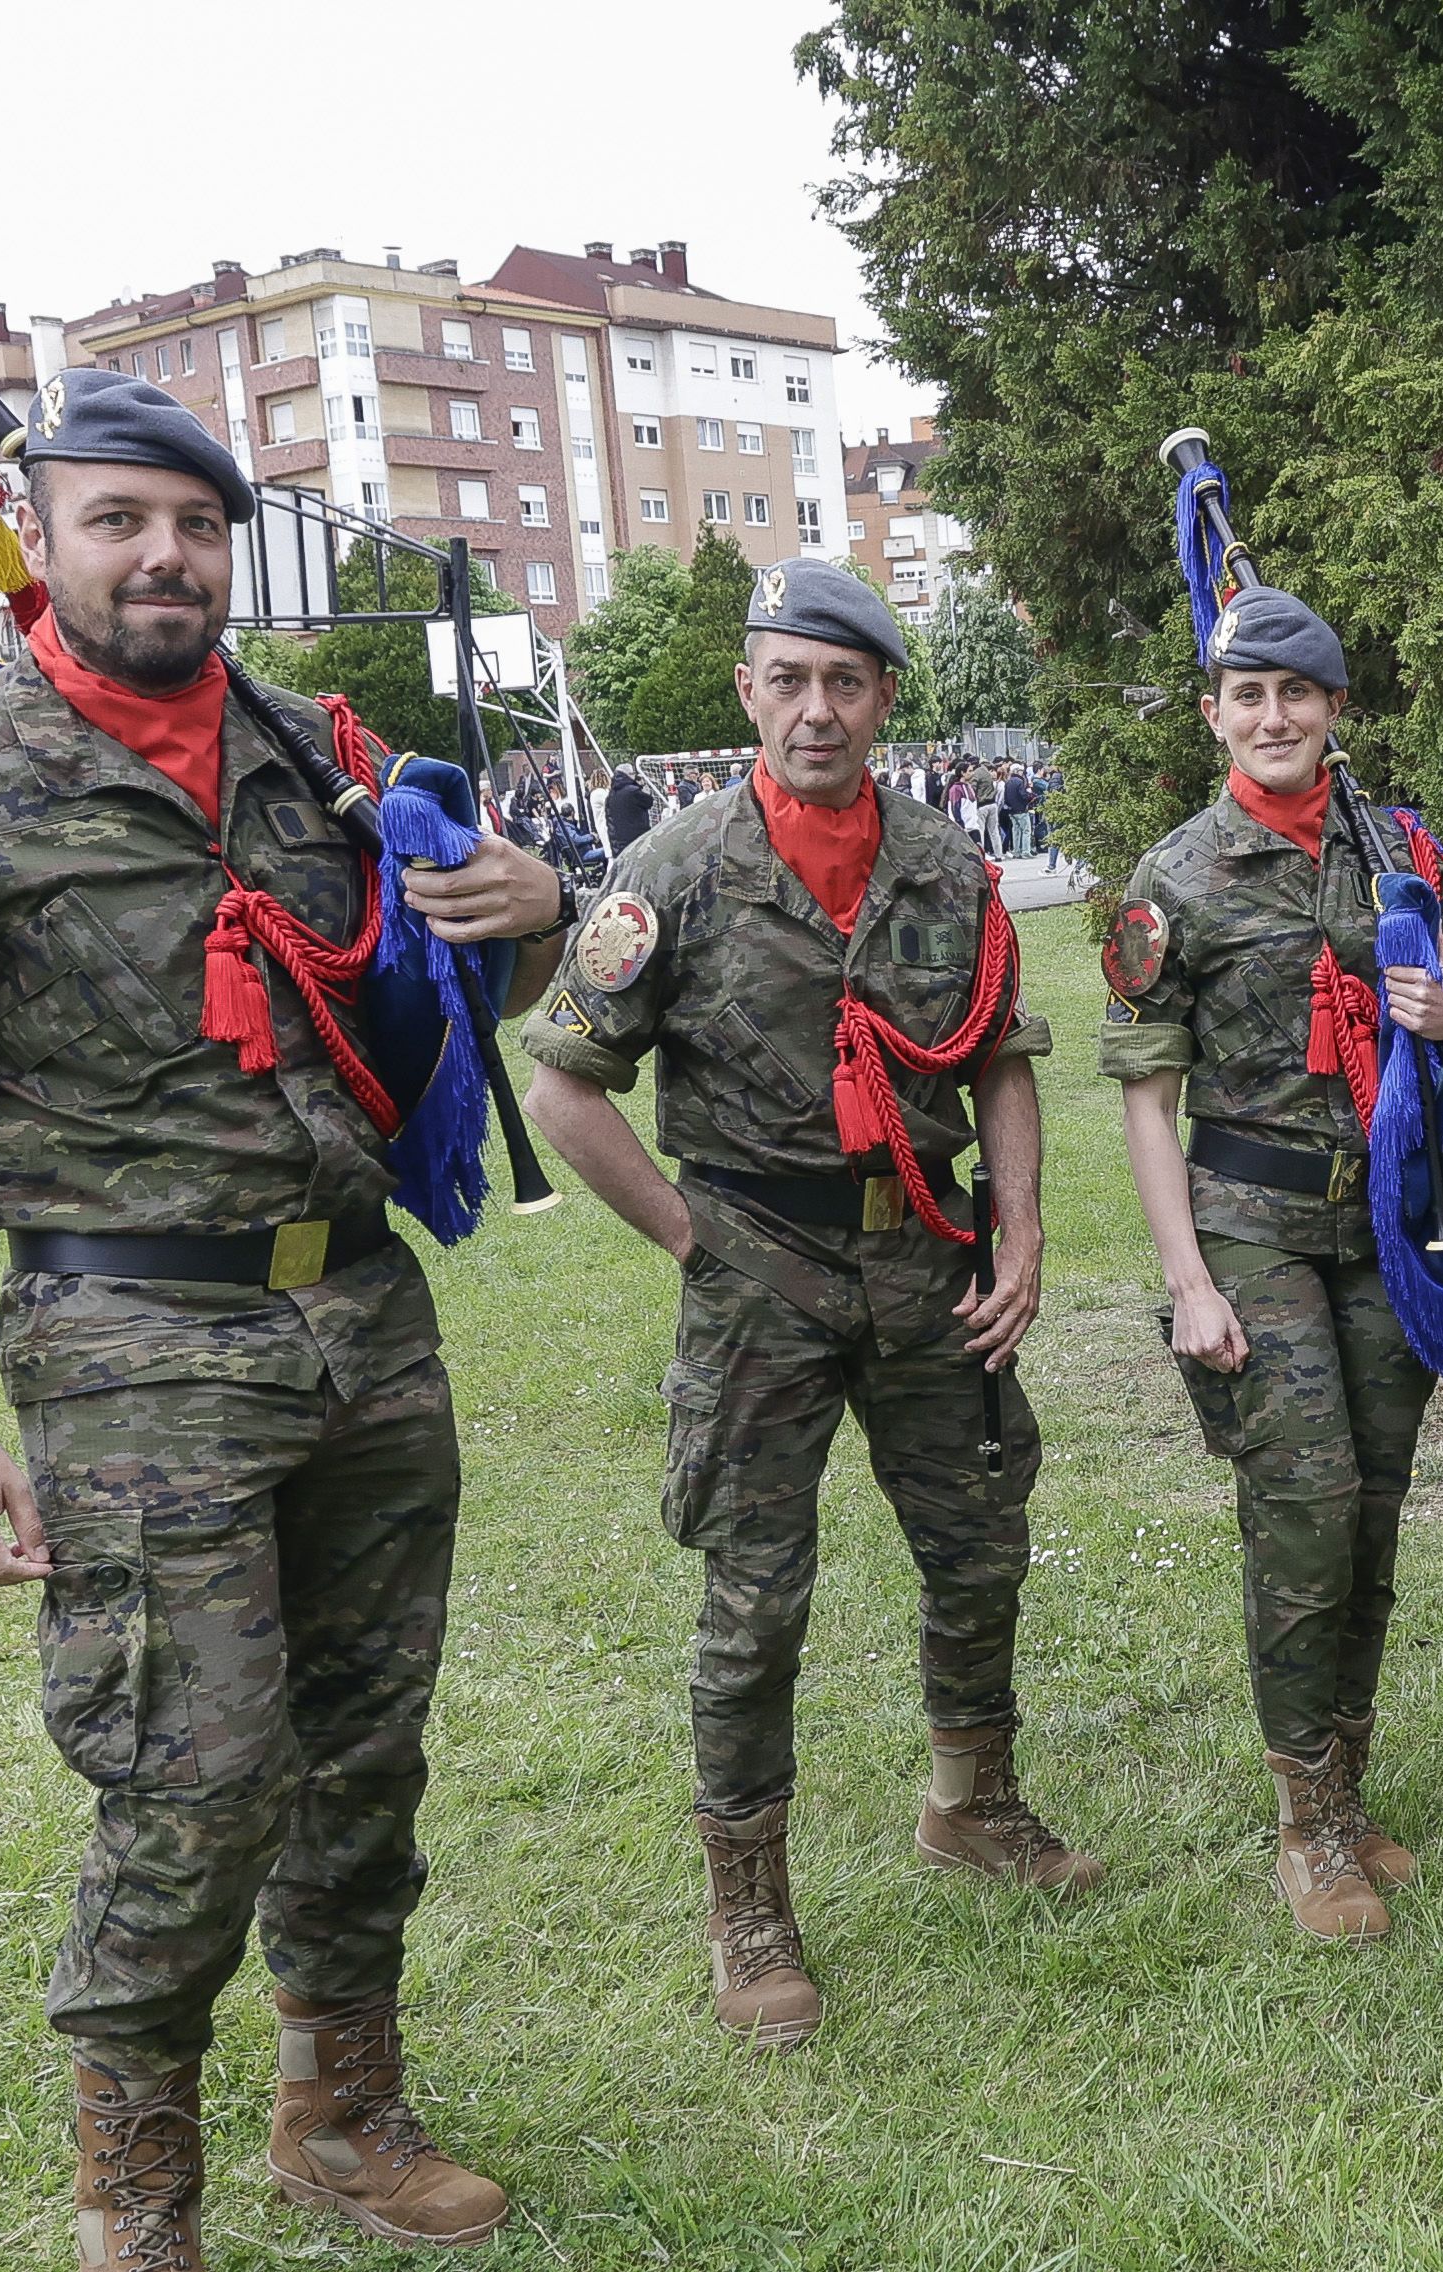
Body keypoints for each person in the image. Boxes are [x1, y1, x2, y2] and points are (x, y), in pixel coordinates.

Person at [0, 371, 570, 2268]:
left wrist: (537, 907)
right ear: (38, 539)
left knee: (367, 1746)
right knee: (191, 1770)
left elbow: (443, 980)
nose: (161, 554)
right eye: (118, 519)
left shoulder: (319, 759)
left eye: (195, 523)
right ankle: (136, 2191)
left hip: (362, 1322)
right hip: (134, 1343)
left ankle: (344, 2108)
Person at [521, 559, 1092, 2058]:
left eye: (847, 681)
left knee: (979, 1550)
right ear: (748, 693)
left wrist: (1020, 1229)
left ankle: (971, 1804)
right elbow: (563, 1089)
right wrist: (690, 1240)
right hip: (759, 1272)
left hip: (923, 1260)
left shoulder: (947, 867)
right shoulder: (676, 869)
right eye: (790, 679)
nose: (818, 709)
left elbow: (1002, 1061)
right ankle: (749, 1904)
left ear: (887, 697)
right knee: (755, 1602)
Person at [1099, 587, 1443, 1941]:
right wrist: (1187, 1279)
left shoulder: (1399, 849)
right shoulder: (1176, 877)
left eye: (1298, 695)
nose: (1274, 717)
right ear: (1214, 714)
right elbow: (1148, 1094)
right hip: (1250, 1224)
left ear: (1334, 712)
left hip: (1383, 1226)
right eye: (1247, 696)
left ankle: (1349, 1788)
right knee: (1307, 1505)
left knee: (1374, 1509)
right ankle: (1304, 1825)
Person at [604, 764, 659, 857]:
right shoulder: (633, 792)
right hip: (636, 838)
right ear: (629, 774)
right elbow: (649, 802)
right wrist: (643, 787)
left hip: (618, 841)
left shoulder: (611, 795)